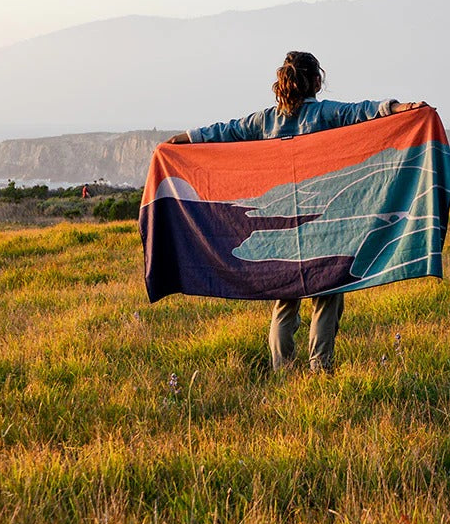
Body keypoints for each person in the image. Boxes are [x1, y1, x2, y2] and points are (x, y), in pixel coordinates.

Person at [166, 50, 426, 374]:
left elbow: (224, 131)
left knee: (284, 300)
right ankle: (320, 369)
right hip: (323, 226)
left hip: (280, 225)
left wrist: (182, 140)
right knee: (328, 295)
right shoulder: (327, 114)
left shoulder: (264, 121)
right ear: (316, 81)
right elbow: (364, 111)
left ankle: (283, 371)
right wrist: (402, 108)